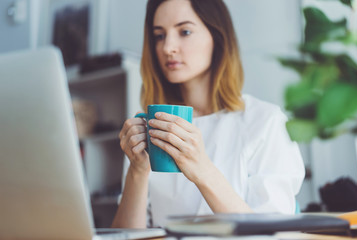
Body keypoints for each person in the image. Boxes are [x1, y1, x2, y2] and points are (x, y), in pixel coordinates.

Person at [112, 0, 305, 228]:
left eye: (184, 31)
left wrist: (202, 169)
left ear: (217, 37)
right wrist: (136, 171)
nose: (167, 48)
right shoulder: (149, 128)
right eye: (159, 36)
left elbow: (275, 234)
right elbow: (126, 235)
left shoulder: (265, 122)